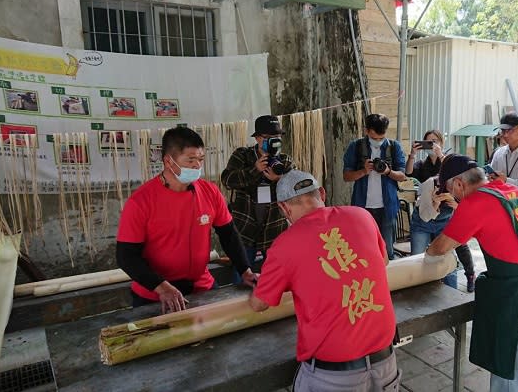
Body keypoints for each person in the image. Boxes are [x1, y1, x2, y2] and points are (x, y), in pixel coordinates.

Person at [426, 154, 518, 391]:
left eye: (452, 191)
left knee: (512, 383)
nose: (453, 197)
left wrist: (427, 252)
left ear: (460, 184)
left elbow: (439, 248)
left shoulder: (475, 203)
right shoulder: (512, 191)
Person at [250, 170, 400, 391]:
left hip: (333, 378)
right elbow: (384, 260)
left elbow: (259, 304)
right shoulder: (362, 216)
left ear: (283, 207)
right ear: (322, 193)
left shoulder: (284, 245)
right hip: (386, 364)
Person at [116, 127, 257, 314]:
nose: (197, 166)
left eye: (200, 160)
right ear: (168, 161)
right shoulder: (141, 201)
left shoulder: (210, 191)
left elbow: (228, 234)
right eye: (190, 160)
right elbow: (126, 256)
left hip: (202, 286)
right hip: (155, 294)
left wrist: (245, 270)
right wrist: (161, 287)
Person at [221, 115, 295, 271]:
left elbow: (297, 191)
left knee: (278, 274)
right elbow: (227, 181)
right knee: (241, 277)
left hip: (274, 228)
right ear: (257, 138)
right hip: (245, 227)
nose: (273, 141)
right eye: (267, 138)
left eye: (276, 137)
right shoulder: (242, 155)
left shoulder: (285, 161)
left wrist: (279, 179)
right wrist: (254, 170)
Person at [405, 129, 476, 292]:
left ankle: (469, 276)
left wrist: (441, 154)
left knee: (454, 252)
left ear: (441, 143)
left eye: (434, 141)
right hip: (426, 212)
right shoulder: (423, 165)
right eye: (428, 142)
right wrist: (412, 154)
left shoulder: (449, 159)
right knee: (418, 258)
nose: (432, 145)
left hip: (446, 214)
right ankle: (421, 291)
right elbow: (408, 172)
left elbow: (458, 175)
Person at [343, 113, 406, 260]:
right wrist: (364, 171)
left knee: (387, 250)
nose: (378, 141)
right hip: (362, 207)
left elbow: (402, 176)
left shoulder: (394, 146)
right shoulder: (356, 147)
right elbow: (346, 176)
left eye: (381, 137)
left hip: (387, 207)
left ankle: (387, 281)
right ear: (366, 131)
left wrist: (388, 171)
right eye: (374, 137)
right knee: (362, 248)